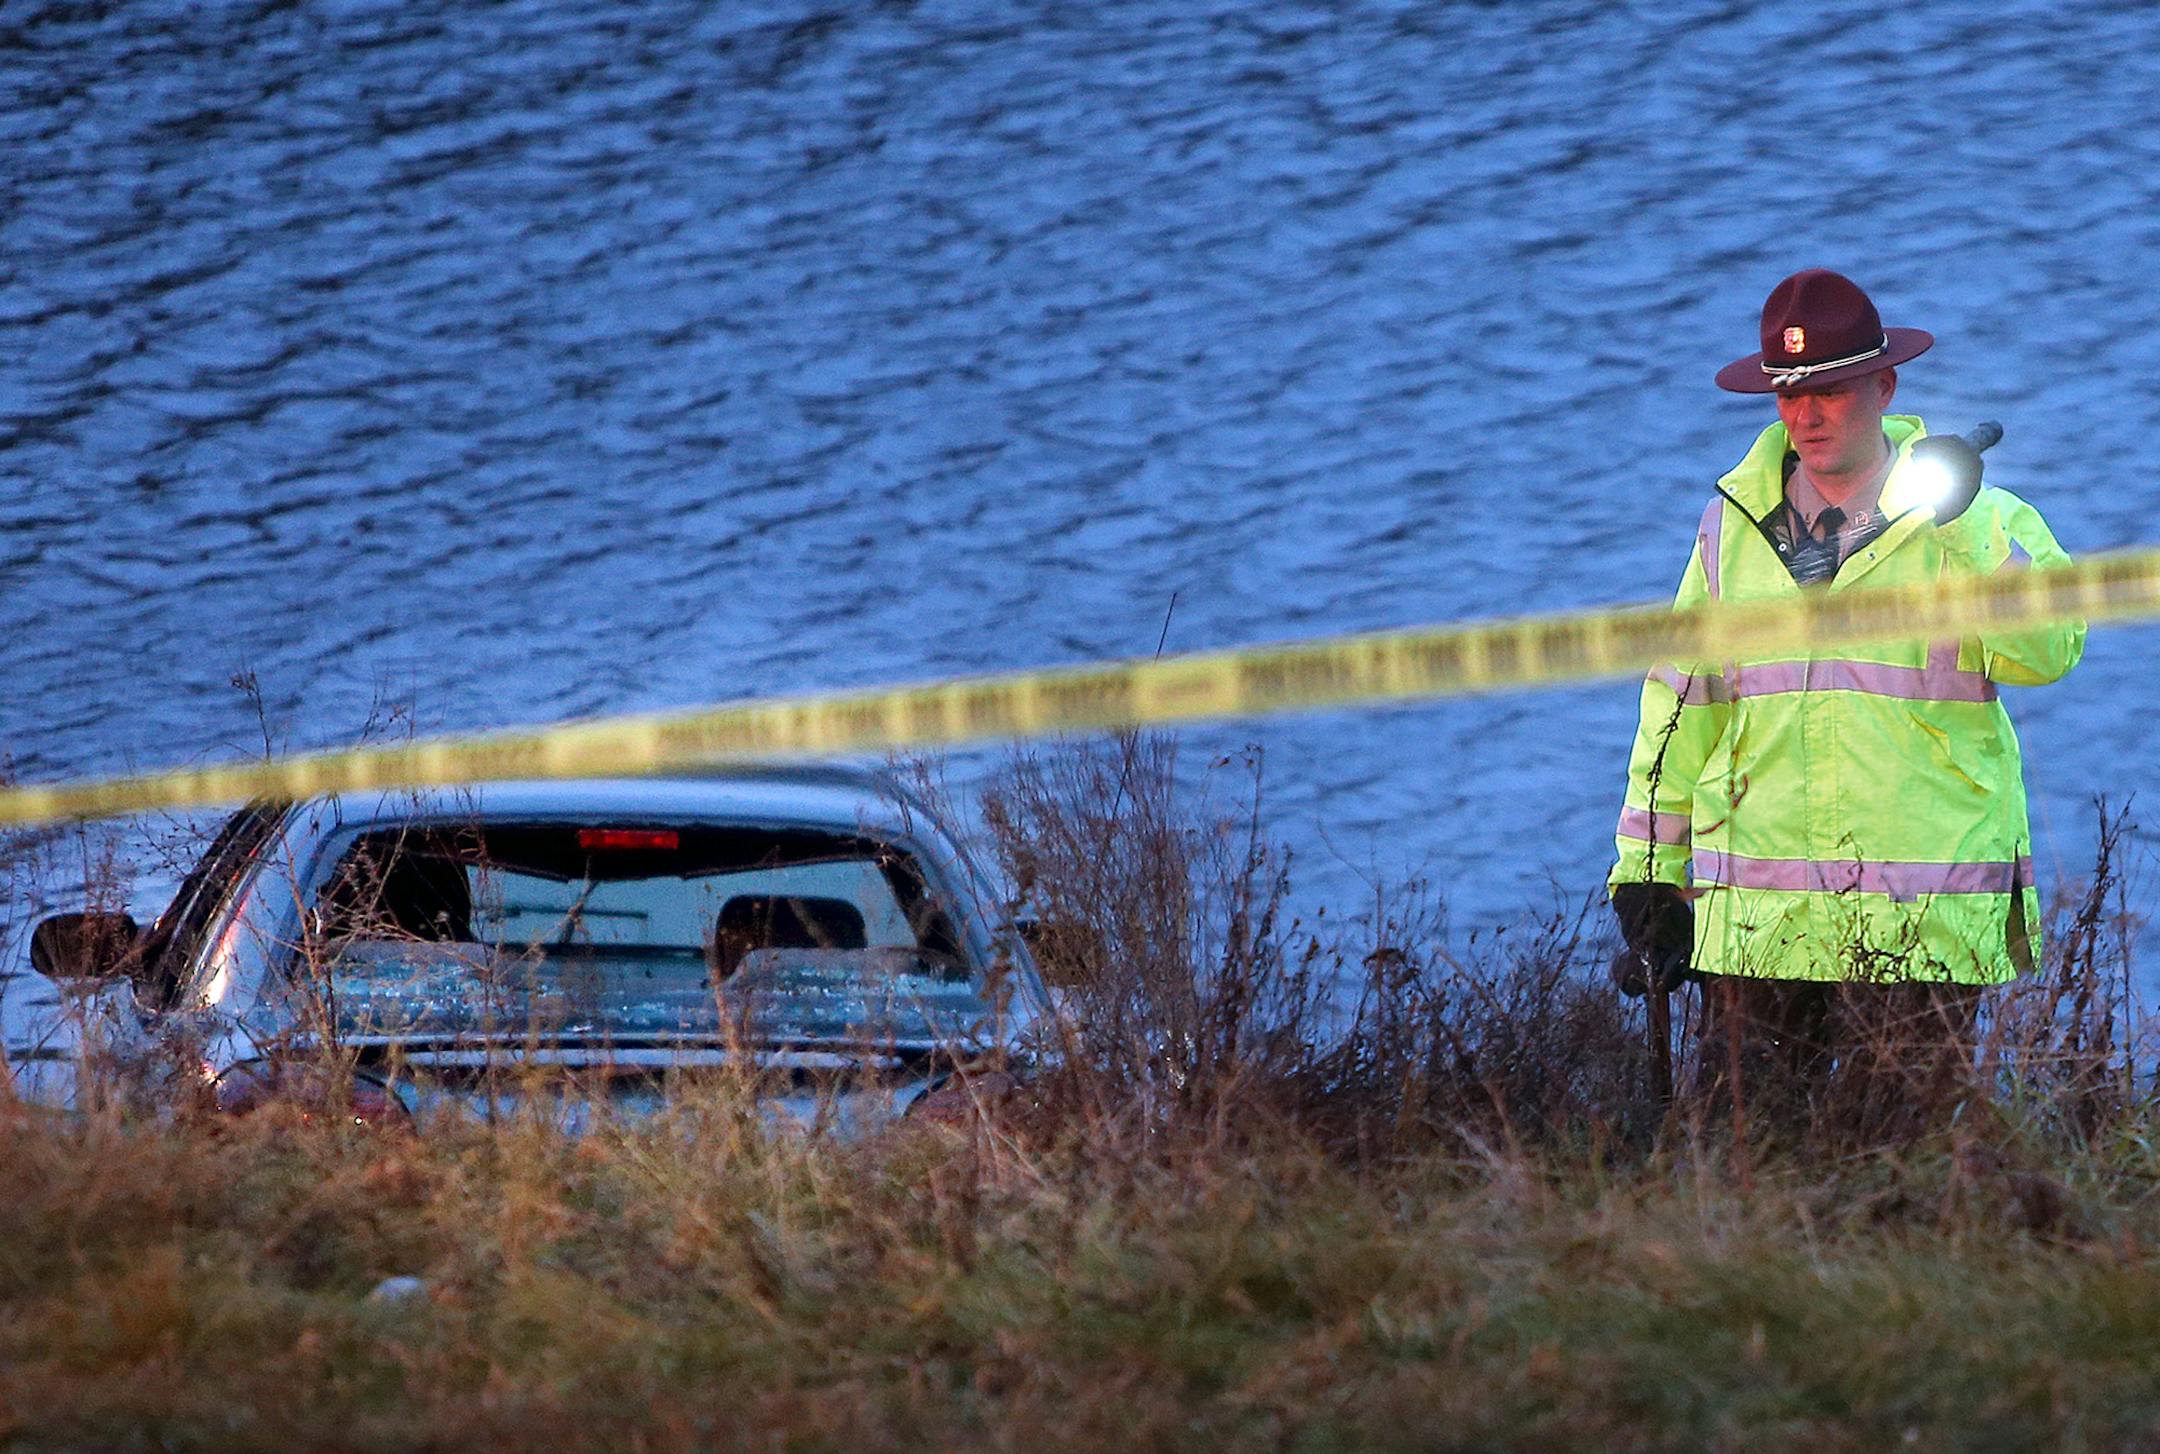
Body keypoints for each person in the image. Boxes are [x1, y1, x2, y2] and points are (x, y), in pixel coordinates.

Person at [1607, 268, 2085, 1125]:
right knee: (1741, 1161)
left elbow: (2049, 651)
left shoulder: (1981, 520)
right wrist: (1647, 874)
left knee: (1901, 1168)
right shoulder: (1729, 529)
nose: (1807, 414)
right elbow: (1678, 706)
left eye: (1828, 389)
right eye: (1789, 393)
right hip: (1759, 919)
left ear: (1884, 386)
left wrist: (1965, 519)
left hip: (1920, 924)